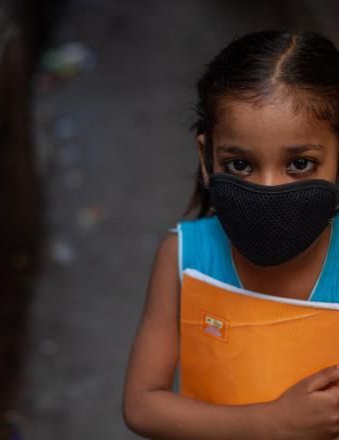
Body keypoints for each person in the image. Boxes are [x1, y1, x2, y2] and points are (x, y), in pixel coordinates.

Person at [123, 30, 339, 440]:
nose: (269, 190)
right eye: (240, 165)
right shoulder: (183, 257)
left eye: (300, 164)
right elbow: (141, 404)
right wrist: (273, 424)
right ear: (206, 159)